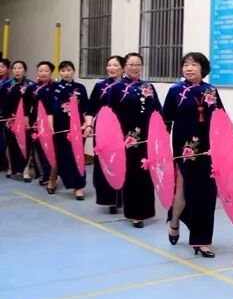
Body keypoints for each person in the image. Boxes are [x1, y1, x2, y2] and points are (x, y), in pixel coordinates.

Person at [162, 52, 224, 257]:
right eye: (186, 65)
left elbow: (221, 120)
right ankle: (174, 221)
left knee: (206, 194)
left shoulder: (211, 91)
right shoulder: (175, 91)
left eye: (194, 65)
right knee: (183, 191)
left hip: (208, 150)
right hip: (184, 150)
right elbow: (165, 122)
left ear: (203, 69)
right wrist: (161, 148)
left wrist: (221, 146)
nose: (189, 68)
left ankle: (202, 241)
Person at [105, 52, 162, 228]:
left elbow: (157, 111)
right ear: (124, 67)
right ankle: (134, 213)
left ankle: (145, 211)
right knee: (131, 174)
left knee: (146, 173)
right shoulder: (116, 88)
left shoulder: (148, 86)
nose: (134, 68)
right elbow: (110, 114)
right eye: (130, 64)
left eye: (138, 64)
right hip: (126, 138)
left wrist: (161, 132)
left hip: (147, 138)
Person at [84, 56, 124, 212]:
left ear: (122, 67)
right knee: (106, 164)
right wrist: (89, 125)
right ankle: (110, 200)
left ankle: (124, 197)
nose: (111, 68)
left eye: (115, 65)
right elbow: (91, 109)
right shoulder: (100, 86)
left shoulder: (128, 86)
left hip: (123, 129)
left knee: (122, 163)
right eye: (109, 65)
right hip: (103, 130)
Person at [47, 61, 89, 199]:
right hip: (59, 126)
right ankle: (52, 180)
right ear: (59, 72)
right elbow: (49, 109)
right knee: (59, 156)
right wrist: (50, 125)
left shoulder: (80, 88)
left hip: (77, 127)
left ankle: (78, 187)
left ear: (73, 71)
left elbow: (85, 108)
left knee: (77, 156)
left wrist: (87, 124)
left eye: (68, 70)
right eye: (63, 70)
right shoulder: (53, 87)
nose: (66, 73)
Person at [1, 61, 35, 180]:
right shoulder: (6, 85)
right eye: (15, 68)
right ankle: (11, 167)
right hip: (10, 119)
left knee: (26, 144)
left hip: (26, 119)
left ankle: (25, 170)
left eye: (20, 68)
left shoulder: (31, 85)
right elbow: (2, 102)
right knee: (10, 144)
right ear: (12, 70)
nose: (17, 70)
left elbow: (33, 104)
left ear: (24, 70)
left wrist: (28, 117)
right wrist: (7, 115)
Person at [29, 61, 56, 185]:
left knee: (51, 149)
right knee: (39, 149)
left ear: (51, 72)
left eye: (46, 70)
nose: (43, 73)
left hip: (52, 122)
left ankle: (52, 175)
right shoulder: (32, 87)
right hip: (36, 122)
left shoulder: (56, 87)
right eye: (40, 71)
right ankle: (44, 174)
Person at [0, 58, 11, 173]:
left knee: (4, 141)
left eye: (2, 67)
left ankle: (5, 164)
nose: (0, 69)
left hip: (5, 115)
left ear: (8, 69)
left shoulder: (11, 83)